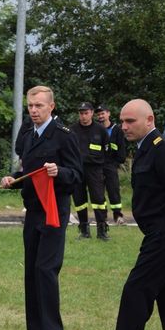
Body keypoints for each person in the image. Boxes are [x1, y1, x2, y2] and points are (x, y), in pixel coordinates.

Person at [88, 99, 165, 330]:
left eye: (130, 121)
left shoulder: (163, 150)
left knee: (137, 289)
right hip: (159, 232)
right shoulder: (144, 148)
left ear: (149, 120)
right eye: (123, 121)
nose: (124, 126)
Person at [0, 86, 81, 330]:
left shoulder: (64, 136)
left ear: (51, 107)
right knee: (32, 268)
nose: (34, 110)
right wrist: (15, 179)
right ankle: (35, 329)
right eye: (31, 106)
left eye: (39, 106)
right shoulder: (27, 135)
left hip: (54, 209)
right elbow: (30, 173)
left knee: (46, 267)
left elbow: (77, 176)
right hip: (33, 209)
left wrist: (61, 172)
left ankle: (53, 329)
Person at [70, 102, 110, 240]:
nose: (83, 116)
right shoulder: (72, 130)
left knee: (99, 199)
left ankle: (102, 230)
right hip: (77, 169)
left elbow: (107, 150)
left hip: (95, 169)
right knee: (79, 200)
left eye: (86, 113)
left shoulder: (100, 130)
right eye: (81, 113)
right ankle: (84, 230)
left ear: (92, 113)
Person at [96, 105, 127, 224]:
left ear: (108, 114)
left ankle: (118, 215)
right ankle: (102, 216)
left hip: (111, 165)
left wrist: (118, 161)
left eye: (102, 113)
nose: (100, 116)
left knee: (113, 190)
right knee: (99, 192)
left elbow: (121, 147)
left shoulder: (116, 129)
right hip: (97, 165)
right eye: (98, 114)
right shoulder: (96, 128)